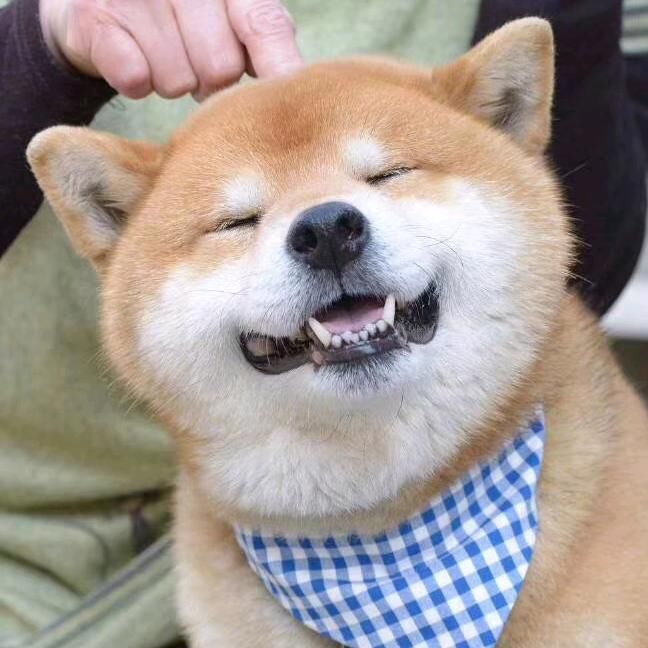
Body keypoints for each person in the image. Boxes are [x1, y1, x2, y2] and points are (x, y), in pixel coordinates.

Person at [0, 1, 645, 646]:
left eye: (385, 175)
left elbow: (593, 242)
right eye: (238, 222)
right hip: (34, 575)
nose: (325, 225)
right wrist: (41, 44)